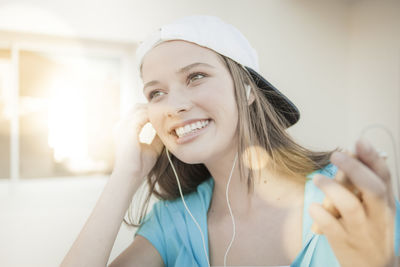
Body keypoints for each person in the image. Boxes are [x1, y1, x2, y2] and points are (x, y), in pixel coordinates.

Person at [61, 15, 400, 267]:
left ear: (250, 90)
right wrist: (126, 175)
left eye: (195, 76)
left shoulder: (346, 198)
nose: (174, 105)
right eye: (156, 93)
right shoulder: (172, 223)